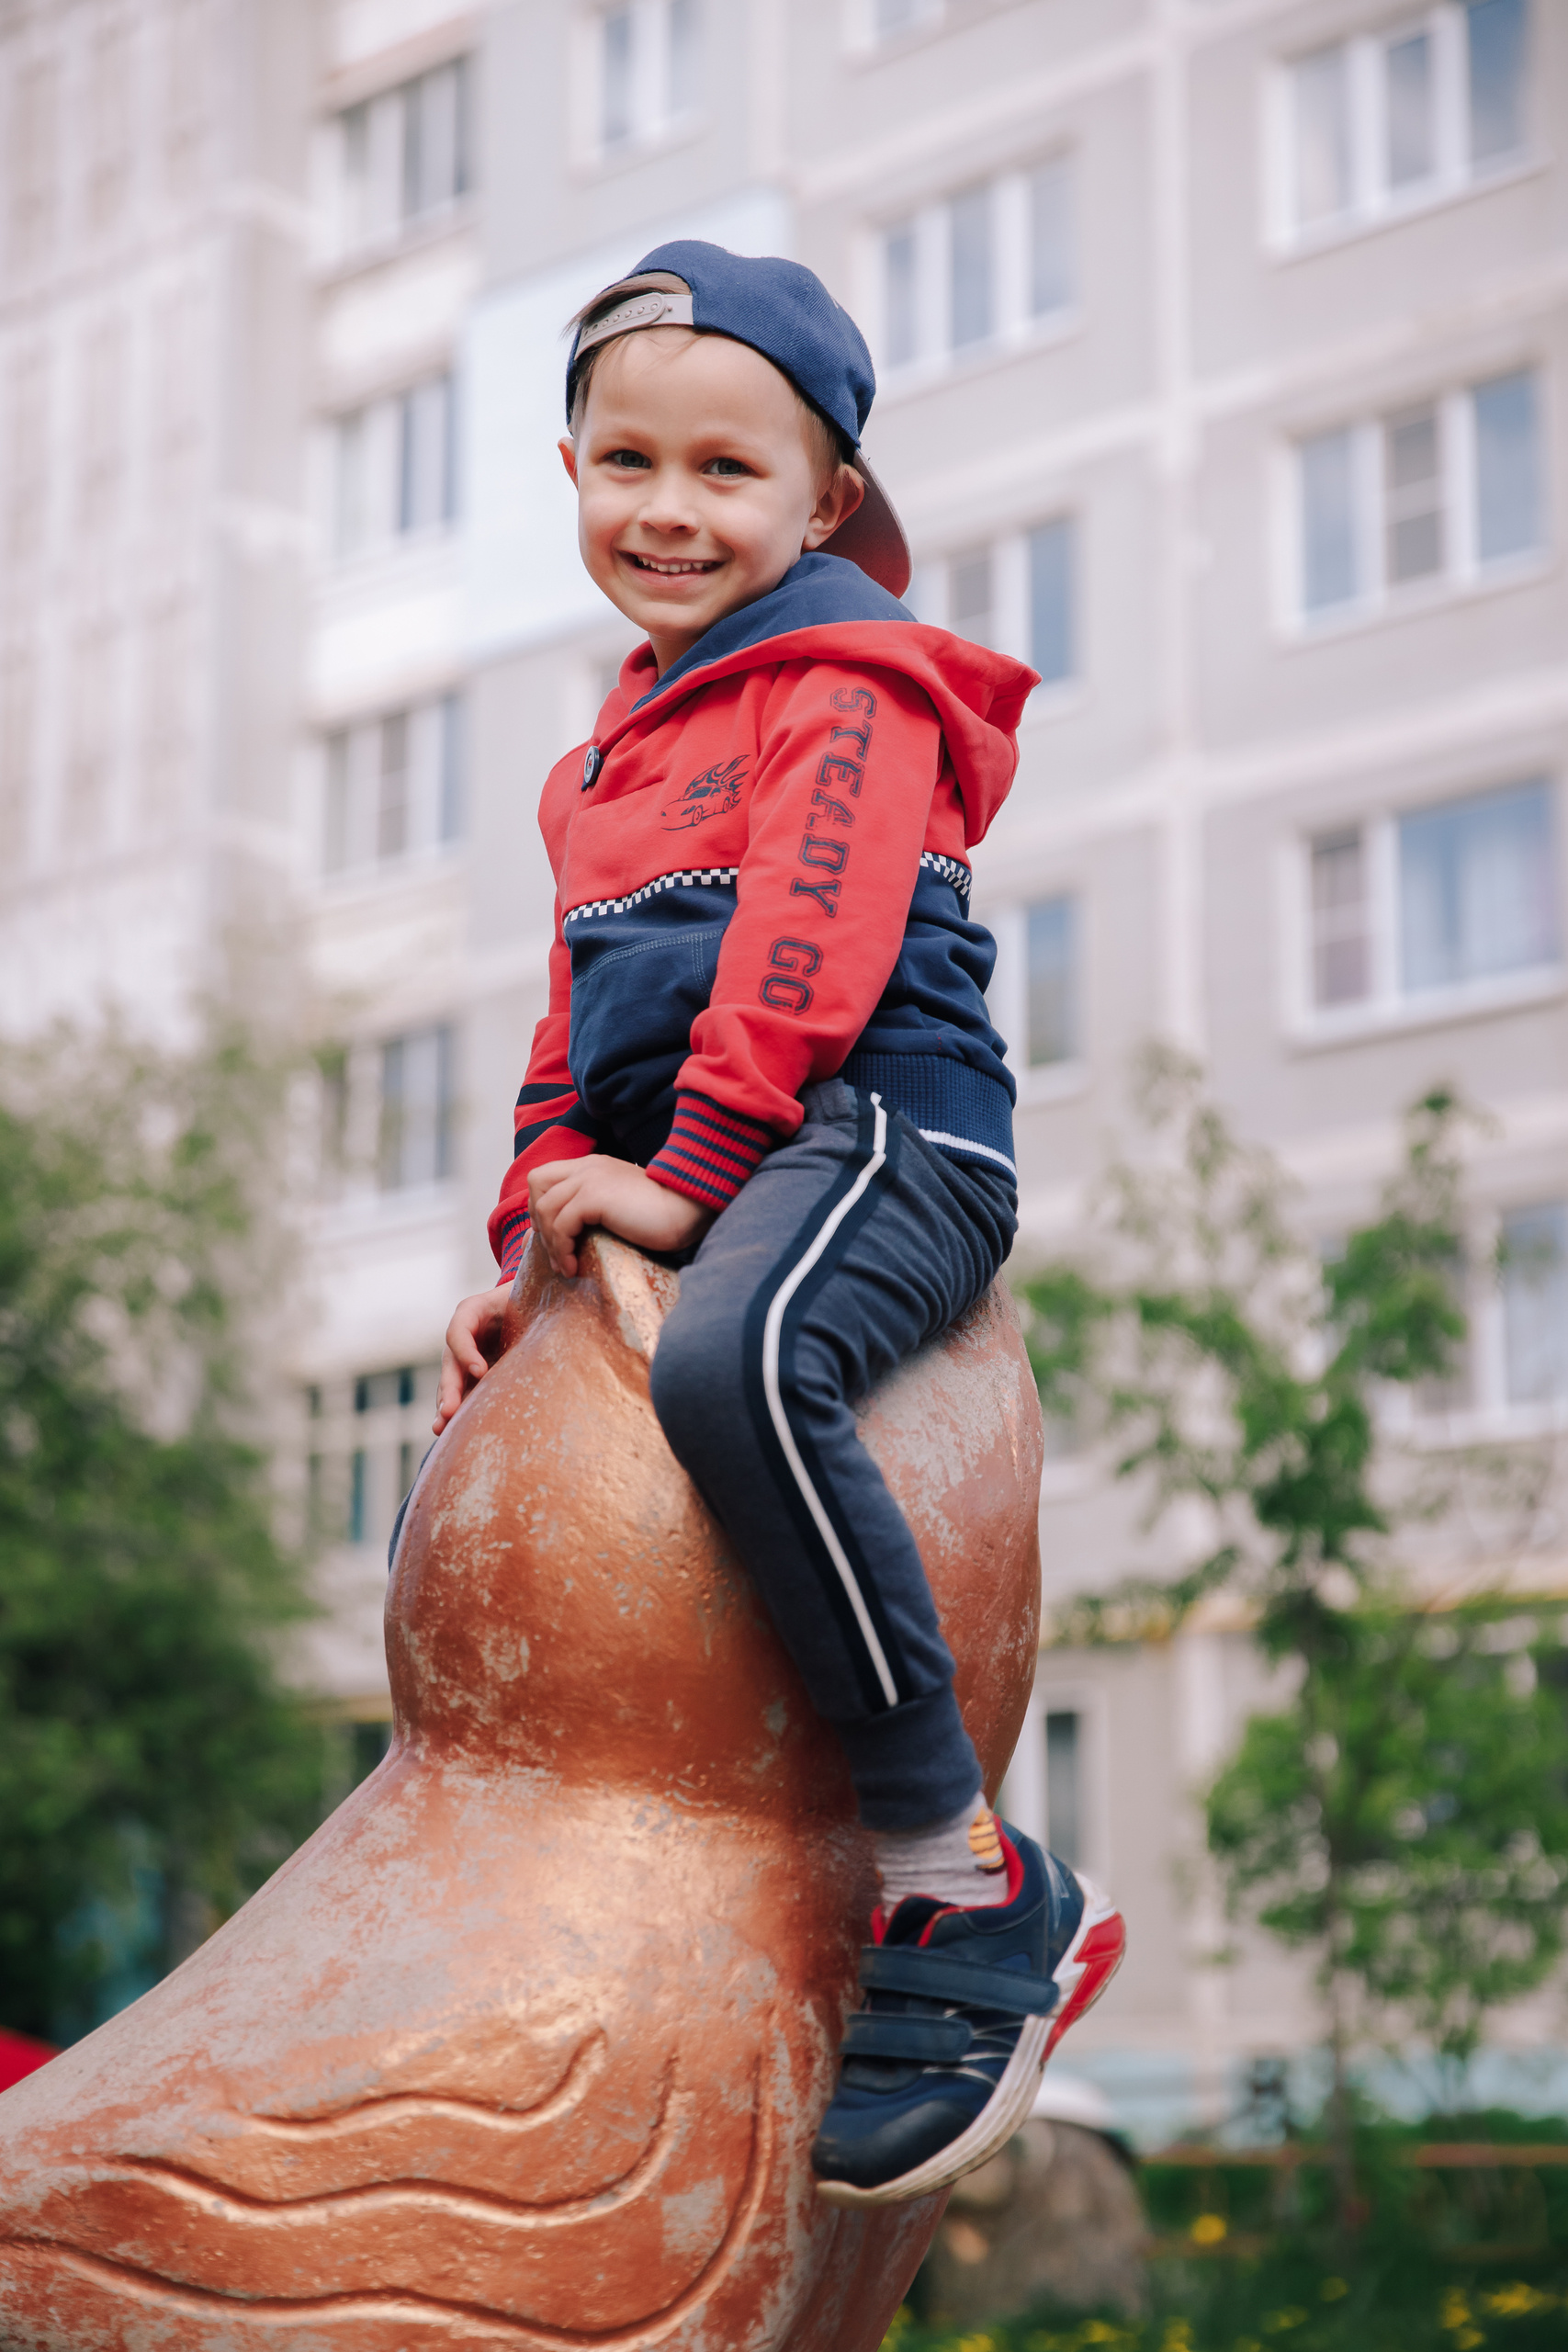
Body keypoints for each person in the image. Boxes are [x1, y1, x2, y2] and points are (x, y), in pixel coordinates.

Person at [432, 242, 1124, 2205]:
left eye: (726, 470)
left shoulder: (844, 683)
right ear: (568, 472)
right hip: (723, 1155)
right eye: (627, 461)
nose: (669, 508)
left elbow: (806, 952)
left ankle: (963, 1876)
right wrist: (531, 1254)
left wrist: (685, 1176)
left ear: (824, 504)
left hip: (879, 1125)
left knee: (736, 1363)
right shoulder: (597, 765)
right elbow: (572, 1033)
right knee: (491, 1448)